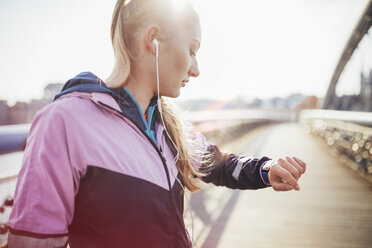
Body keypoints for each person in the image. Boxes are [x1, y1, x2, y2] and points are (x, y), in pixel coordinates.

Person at [7, 0, 306, 247]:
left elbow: (219, 165)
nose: (197, 69)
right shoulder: (64, 123)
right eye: (191, 50)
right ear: (154, 39)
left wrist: (267, 169)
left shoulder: (167, 125)